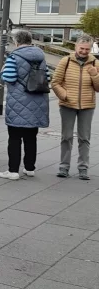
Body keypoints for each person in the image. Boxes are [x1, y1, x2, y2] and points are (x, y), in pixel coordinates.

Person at [0, 30, 50, 180]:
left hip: (18, 102)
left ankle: (13, 170)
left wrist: (2, 73)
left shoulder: (14, 56)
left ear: (16, 41)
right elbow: (47, 77)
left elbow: (9, 77)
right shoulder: (41, 57)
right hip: (37, 102)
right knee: (31, 137)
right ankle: (29, 168)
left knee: (14, 137)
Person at [52, 34, 99, 180]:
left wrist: (94, 76)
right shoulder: (65, 61)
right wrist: (64, 95)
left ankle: (83, 168)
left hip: (87, 106)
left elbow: (98, 88)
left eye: (87, 49)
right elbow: (55, 82)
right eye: (82, 48)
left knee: (84, 138)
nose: (84, 51)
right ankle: (64, 167)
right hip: (67, 105)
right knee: (66, 137)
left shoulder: (95, 64)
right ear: (76, 47)